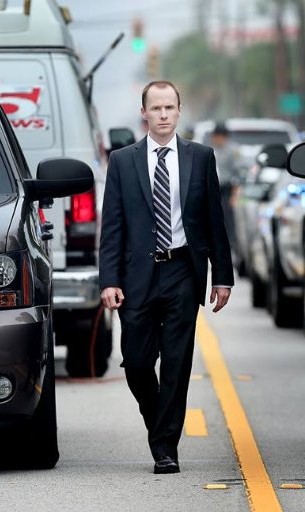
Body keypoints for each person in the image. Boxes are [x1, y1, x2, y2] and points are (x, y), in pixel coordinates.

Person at [99, 80, 234, 474]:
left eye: (169, 108)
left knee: (176, 362)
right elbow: (113, 226)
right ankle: (158, 418)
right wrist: (110, 280)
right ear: (144, 112)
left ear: (179, 111)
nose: (162, 115)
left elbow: (214, 220)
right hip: (136, 274)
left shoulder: (201, 157)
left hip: (182, 271)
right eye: (155, 108)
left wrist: (221, 277)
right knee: (137, 362)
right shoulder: (123, 161)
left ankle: (165, 447)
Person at [209, 121, 242, 255]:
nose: (218, 139)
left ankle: (231, 247)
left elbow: (237, 174)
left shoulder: (232, 151)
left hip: (227, 190)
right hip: (212, 190)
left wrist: (235, 195)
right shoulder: (209, 149)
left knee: (228, 219)